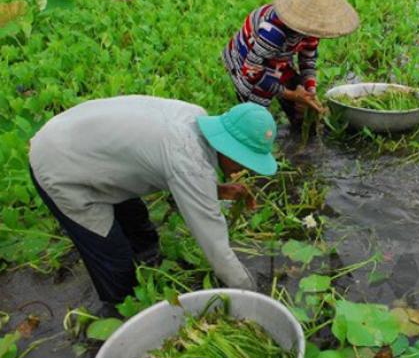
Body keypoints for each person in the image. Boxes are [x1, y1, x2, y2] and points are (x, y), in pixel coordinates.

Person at [29, 96, 278, 304]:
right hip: (59, 165)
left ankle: (150, 270)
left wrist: (214, 189)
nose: (245, 168)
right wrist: (253, 295)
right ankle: (122, 313)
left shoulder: (194, 117)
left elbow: (177, 165)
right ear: (229, 147)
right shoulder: (188, 162)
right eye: (244, 160)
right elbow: (217, 249)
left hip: (80, 140)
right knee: (115, 264)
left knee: (140, 228)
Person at [222, 0, 359, 127]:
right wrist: (292, 95)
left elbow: (308, 60)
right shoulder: (273, 31)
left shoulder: (312, 28)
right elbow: (251, 71)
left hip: (278, 59)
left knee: (304, 114)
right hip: (247, 61)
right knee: (257, 121)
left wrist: (310, 91)